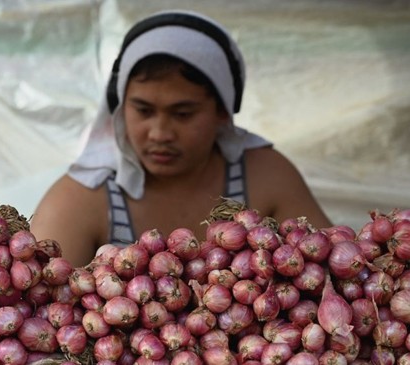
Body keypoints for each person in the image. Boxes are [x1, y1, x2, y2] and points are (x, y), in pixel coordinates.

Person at [31, 10, 332, 267]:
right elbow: (36, 302)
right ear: (121, 109)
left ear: (223, 112)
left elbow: (331, 264)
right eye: (143, 110)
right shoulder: (82, 199)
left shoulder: (266, 176)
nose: (160, 133)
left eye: (183, 114)